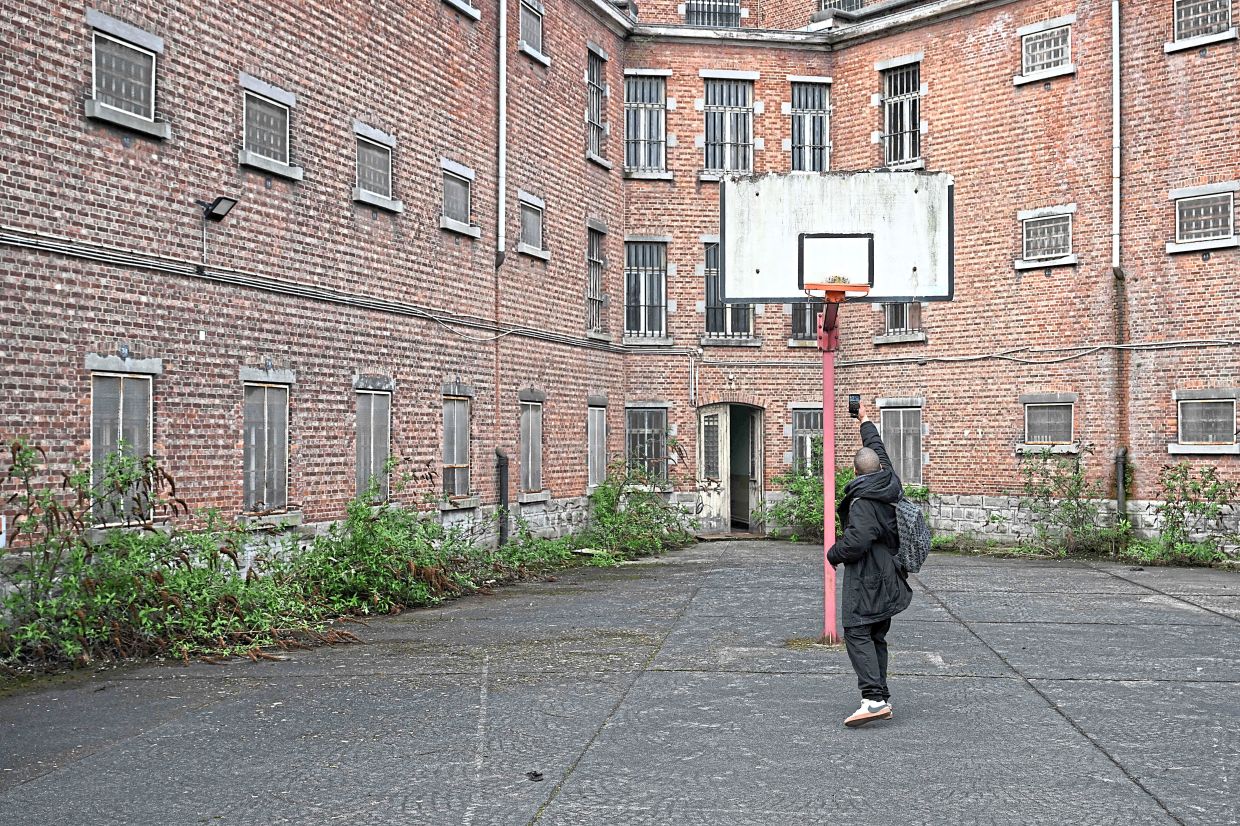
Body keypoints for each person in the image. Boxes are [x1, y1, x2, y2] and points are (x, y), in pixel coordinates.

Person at [826, 402, 913, 728]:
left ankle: (873, 699)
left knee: (857, 630)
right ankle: (881, 697)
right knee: (876, 633)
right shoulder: (888, 481)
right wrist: (864, 419)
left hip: (868, 577)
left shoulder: (863, 502)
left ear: (855, 473)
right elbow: (878, 448)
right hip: (889, 573)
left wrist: (833, 554)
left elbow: (857, 542)